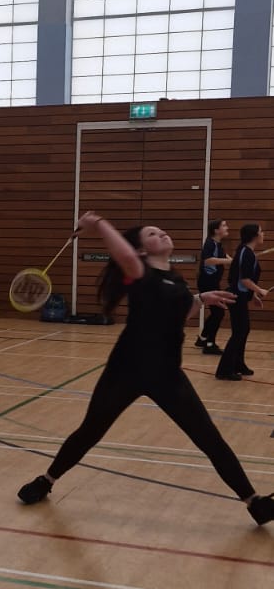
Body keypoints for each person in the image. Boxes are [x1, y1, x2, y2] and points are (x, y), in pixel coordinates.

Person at [16, 212, 274, 526]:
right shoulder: (138, 272)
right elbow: (124, 255)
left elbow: (179, 314)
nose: (161, 233)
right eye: (152, 234)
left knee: (209, 438)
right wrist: (97, 223)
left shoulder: (174, 278)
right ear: (140, 250)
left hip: (167, 374)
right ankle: (47, 480)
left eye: (161, 230)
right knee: (90, 431)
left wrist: (200, 299)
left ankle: (254, 502)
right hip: (126, 370)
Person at [215, 223, 268, 382]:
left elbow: (243, 279)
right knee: (239, 332)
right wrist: (259, 290)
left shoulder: (247, 252)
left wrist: (253, 295)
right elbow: (244, 280)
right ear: (254, 236)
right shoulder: (246, 253)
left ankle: (238, 365)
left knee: (243, 330)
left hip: (241, 297)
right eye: (261, 232)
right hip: (235, 297)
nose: (263, 234)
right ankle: (224, 370)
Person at [195, 218, 231, 355]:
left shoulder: (218, 244)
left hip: (213, 282)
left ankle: (202, 339)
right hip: (207, 282)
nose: (227, 227)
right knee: (218, 312)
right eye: (224, 225)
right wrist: (228, 261)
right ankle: (209, 344)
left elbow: (226, 257)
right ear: (216, 230)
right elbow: (208, 261)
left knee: (217, 312)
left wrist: (235, 260)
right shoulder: (210, 243)